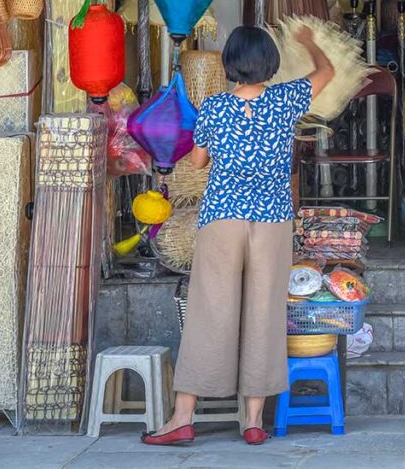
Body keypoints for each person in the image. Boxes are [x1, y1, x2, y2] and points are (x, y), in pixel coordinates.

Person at [142, 25, 334, 447]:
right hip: (271, 220)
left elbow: (197, 161)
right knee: (264, 313)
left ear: (230, 64)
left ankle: (183, 417)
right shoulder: (286, 100)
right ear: (270, 63)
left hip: (222, 218)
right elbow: (327, 71)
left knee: (210, 311)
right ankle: (252, 420)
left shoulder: (214, 107)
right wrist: (308, 42)